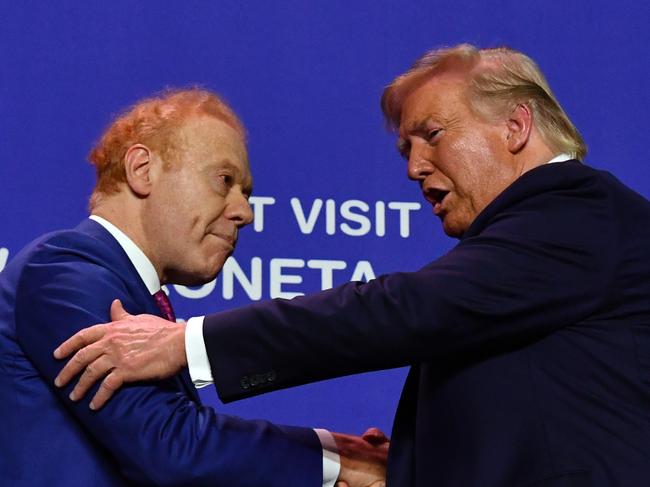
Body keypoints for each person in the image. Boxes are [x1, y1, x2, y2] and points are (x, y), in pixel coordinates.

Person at [55, 44, 650, 486]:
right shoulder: (538, 241)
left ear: (516, 126)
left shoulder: (577, 213)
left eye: (433, 135)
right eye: (405, 149)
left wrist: (190, 343)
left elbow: (407, 309)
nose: (415, 167)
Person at [0, 88, 388, 486]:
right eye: (224, 180)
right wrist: (337, 456)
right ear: (142, 170)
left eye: (246, 192)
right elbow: (171, 445)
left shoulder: (137, 301)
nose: (245, 212)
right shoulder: (61, 273)